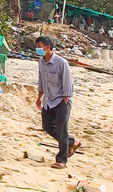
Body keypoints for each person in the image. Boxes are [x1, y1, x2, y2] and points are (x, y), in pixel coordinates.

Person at [35, 36, 81, 169]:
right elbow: (41, 81)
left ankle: (62, 160)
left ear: (47, 47)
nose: (37, 49)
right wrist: (39, 97)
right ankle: (72, 142)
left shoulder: (61, 63)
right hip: (49, 100)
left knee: (62, 128)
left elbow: (68, 83)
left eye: (39, 46)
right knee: (47, 126)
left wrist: (65, 100)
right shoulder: (41, 62)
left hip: (61, 100)